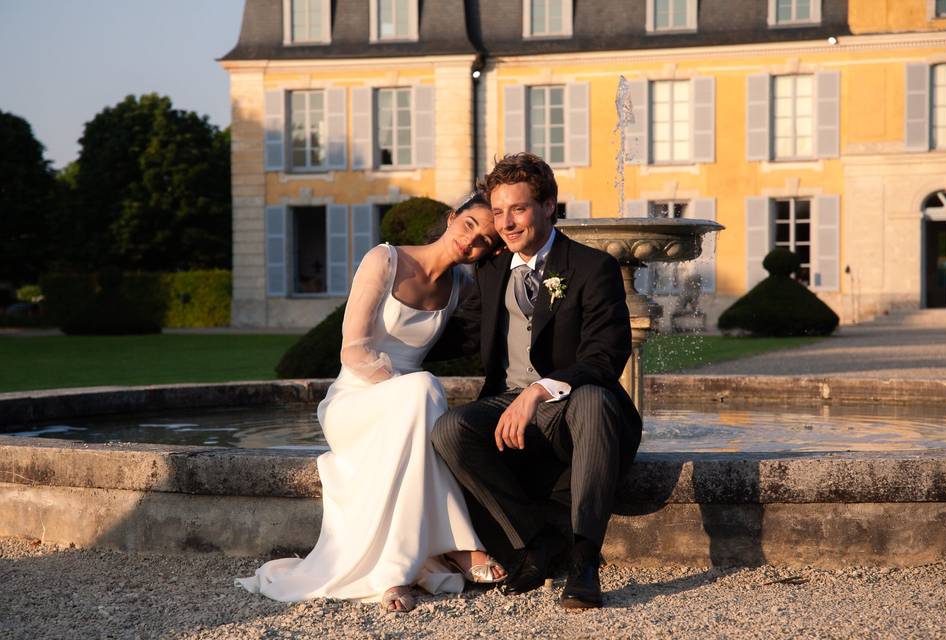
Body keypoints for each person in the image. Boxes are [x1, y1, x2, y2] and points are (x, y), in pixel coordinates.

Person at [237, 193, 506, 613]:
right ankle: (456, 548)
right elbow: (354, 352)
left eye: (484, 242)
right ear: (453, 218)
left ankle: (395, 575)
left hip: (406, 407)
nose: (471, 242)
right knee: (423, 389)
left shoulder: (460, 288)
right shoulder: (385, 260)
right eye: (469, 226)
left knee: (421, 398)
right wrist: (404, 392)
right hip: (354, 402)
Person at [430, 153, 643, 610]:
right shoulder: (490, 271)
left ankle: (585, 559)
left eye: (519, 209)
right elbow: (463, 334)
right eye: (499, 211)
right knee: (449, 429)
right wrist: (397, 325)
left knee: (594, 401)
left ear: (548, 206)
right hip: (504, 402)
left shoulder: (592, 267)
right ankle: (536, 541)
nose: (506, 223)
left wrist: (539, 389)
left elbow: (606, 355)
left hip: (572, 407)